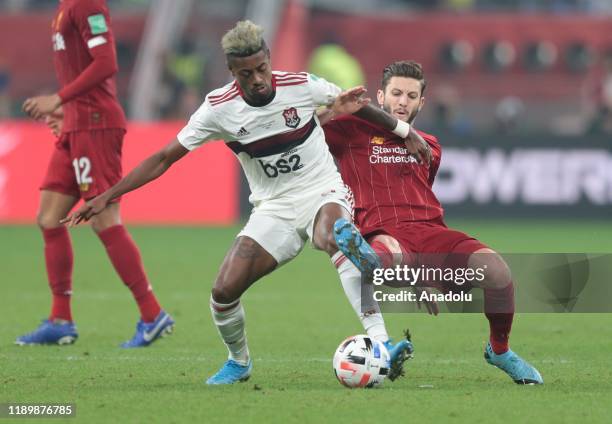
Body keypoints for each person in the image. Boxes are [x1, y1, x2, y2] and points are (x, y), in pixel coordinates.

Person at [62, 20, 431, 385]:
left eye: (261, 69)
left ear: (269, 59)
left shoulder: (301, 85)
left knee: (335, 236)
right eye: (246, 74)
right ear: (231, 72)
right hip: (272, 207)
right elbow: (163, 158)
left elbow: (357, 105)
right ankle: (239, 363)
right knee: (223, 291)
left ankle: (382, 342)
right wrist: (108, 196)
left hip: (322, 190)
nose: (257, 79)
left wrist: (404, 132)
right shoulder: (217, 109)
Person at [321, 60, 543, 385]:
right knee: (387, 255)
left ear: (421, 102)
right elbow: (309, 125)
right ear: (380, 97)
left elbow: (421, 197)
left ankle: (500, 350)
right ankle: (367, 259)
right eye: (396, 93)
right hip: (382, 230)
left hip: (430, 233)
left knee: (498, 273)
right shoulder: (350, 131)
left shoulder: (429, 145)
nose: (402, 102)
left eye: (411, 96)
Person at [18, 0, 173, 348]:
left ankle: (152, 315)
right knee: (49, 218)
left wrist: (59, 99)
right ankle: (60, 320)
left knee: (104, 218)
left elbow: (106, 63)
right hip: (76, 124)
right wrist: (66, 109)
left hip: (95, 124)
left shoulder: (87, 4)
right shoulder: (66, 7)